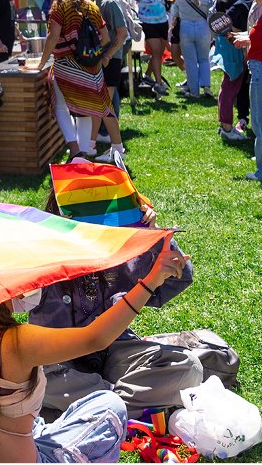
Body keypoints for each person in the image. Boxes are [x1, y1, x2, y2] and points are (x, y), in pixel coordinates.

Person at [0, 236, 188, 463]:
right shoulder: (17, 341)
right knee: (110, 405)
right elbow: (96, 337)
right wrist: (151, 281)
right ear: (2, 286)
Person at [30, 180, 199, 423]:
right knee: (32, 376)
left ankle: (95, 408)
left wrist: (153, 236)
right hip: (59, 360)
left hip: (114, 354)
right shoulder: (42, 248)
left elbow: (174, 282)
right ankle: (113, 405)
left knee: (188, 367)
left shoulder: (124, 243)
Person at [39, 0, 125, 159]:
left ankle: (74, 148)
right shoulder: (91, 7)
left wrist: (42, 63)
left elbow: (53, 37)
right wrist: (90, 54)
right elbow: (106, 38)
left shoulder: (59, 7)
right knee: (86, 108)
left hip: (65, 65)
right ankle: (84, 152)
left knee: (61, 106)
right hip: (91, 67)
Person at [77, 0, 129, 115]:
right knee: (102, 101)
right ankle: (103, 133)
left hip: (111, 59)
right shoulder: (94, 2)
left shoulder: (109, 2)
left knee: (105, 102)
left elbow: (122, 33)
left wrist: (108, 56)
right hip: (100, 57)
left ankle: (107, 134)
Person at [214, 0, 251, 141]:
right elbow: (223, 22)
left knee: (230, 84)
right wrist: (240, 42)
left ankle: (225, 126)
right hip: (231, 44)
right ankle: (227, 128)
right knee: (230, 84)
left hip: (232, 42)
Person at [122, 0, 171, 97]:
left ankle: (147, 76)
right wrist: (128, 14)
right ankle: (159, 84)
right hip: (148, 23)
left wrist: (171, 0)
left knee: (159, 53)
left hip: (163, 22)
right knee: (155, 51)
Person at [234, 0, 262, 183]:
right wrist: (245, 37)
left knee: (260, 123)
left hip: (260, 68)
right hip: (259, 66)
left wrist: (247, 40)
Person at [169, 0, 213, 99]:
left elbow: (174, 14)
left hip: (186, 28)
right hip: (203, 28)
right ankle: (206, 87)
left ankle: (194, 91)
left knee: (190, 61)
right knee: (204, 59)